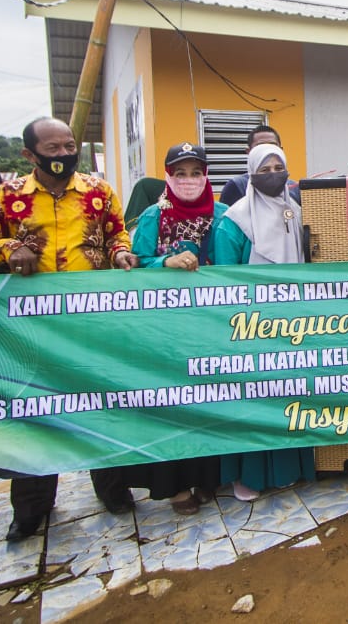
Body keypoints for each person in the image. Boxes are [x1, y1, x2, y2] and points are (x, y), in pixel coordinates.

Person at [0, 117, 139, 541]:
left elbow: (118, 234)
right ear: (30, 154)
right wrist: (10, 247)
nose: (62, 155)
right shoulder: (7, 198)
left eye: (68, 146)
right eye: (52, 148)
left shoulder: (98, 192)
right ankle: (32, 507)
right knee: (34, 413)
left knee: (101, 405)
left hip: (92, 322)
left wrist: (120, 255)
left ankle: (113, 490)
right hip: (31, 329)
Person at [125, 142, 226, 513]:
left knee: (209, 398)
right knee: (171, 401)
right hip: (165, 327)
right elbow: (137, 264)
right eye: (179, 173)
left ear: (206, 175)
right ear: (167, 175)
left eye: (196, 172)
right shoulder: (153, 216)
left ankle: (206, 476)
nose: (188, 180)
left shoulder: (223, 214)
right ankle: (175, 486)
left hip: (211, 324)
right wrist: (165, 263)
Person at [213, 143, 316, 500]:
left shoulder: (296, 210)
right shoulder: (235, 219)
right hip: (249, 327)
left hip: (291, 325)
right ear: (251, 173)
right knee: (252, 398)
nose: (273, 173)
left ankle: (287, 469)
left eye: (279, 166)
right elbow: (225, 279)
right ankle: (247, 477)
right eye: (265, 167)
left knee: (289, 396)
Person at [218, 125, 301, 206]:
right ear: (249, 152)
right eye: (260, 147)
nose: (267, 151)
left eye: (273, 146)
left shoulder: (295, 189)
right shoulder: (237, 186)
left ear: (281, 150)